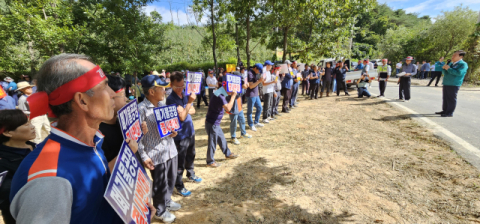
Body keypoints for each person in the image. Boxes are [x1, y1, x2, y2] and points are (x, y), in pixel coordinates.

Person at [9, 54, 131, 223]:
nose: (113, 94)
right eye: (105, 86)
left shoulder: (89, 143)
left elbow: (93, 193)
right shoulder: (50, 181)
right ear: (82, 101)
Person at [137, 74, 181, 222]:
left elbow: (169, 127)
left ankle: (167, 201)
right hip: (155, 154)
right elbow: (138, 138)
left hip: (170, 149)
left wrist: (173, 131)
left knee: (171, 178)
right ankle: (160, 211)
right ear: (151, 92)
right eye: (161, 88)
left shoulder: (163, 105)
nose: (165, 91)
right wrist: (144, 156)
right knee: (160, 183)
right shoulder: (141, 110)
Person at [166, 71, 203, 198]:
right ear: (171, 85)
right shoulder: (171, 99)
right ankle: (179, 185)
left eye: (183, 86)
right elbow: (182, 117)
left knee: (191, 154)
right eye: (178, 87)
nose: (181, 89)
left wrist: (186, 108)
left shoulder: (185, 95)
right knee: (179, 163)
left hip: (190, 131)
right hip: (180, 135)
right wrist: (188, 105)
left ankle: (191, 173)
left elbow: (192, 111)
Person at [99, 75, 147, 171]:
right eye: (122, 95)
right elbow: (104, 172)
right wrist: (127, 153)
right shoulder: (98, 134)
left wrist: (140, 132)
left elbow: (132, 144)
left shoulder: (122, 121)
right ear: (109, 96)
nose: (126, 99)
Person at [0, 110, 35, 224]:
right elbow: (6, 197)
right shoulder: (3, 161)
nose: (32, 126)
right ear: (8, 133)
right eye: (26, 124)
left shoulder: (37, 148)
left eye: (30, 122)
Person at [205, 83, 239, 168]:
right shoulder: (220, 95)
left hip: (214, 123)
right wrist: (233, 96)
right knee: (212, 142)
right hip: (212, 123)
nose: (232, 91)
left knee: (222, 138)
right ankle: (210, 161)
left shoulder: (220, 91)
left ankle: (227, 153)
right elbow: (228, 108)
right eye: (232, 89)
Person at [436, 50, 468, 117]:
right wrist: (444, 69)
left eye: (455, 55)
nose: (452, 57)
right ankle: (445, 110)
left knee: (451, 98)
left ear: (461, 56)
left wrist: (449, 69)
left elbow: (459, 73)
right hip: (446, 82)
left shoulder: (463, 64)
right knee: (445, 98)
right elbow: (445, 73)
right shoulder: (450, 63)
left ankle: (449, 113)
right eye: (453, 55)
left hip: (454, 83)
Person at [226, 71, 252, 145]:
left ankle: (243, 133)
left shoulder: (240, 84)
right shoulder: (230, 85)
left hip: (239, 105)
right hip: (233, 106)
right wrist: (242, 87)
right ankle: (233, 137)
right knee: (234, 122)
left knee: (242, 119)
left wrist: (244, 87)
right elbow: (233, 95)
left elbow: (241, 94)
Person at [246, 63, 264, 131]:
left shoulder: (254, 73)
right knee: (250, 111)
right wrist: (259, 81)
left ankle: (256, 122)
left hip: (256, 94)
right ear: (255, 68)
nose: (259, 72)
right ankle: (251, 125)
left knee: (260, 108)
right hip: (251, 95)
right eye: (258, 70)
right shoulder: (250, 74)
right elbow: (251, 86)